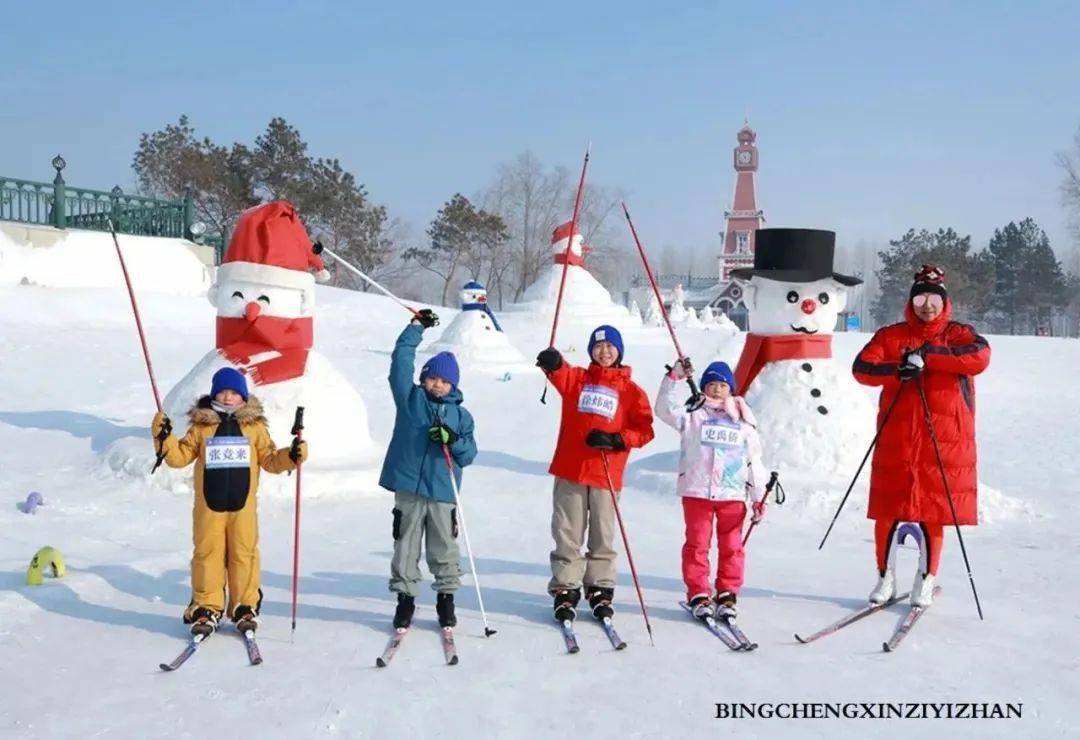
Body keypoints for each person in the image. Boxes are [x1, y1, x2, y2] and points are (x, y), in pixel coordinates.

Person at [853, 265, 991, 607]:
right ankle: (885, 576)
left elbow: (979, 356)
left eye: (932, 299)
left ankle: (926, 579)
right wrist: (897, 370)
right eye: (919, 299)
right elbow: (862, 368)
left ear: (943, 302)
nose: (926, 306)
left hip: (943, 442)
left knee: (932, 511)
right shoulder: (891, 335)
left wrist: (929, 357)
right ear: (910, 302)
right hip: (898, 438)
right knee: (888, 511)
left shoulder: (958, 334)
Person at [151, 367, 307, 635]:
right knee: (207, 553)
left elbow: (269, 460)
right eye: (222, 391)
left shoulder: (254, 428)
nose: (227, 397)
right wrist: (163, 438)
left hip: (242, 507)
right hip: (208, 508)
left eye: (234, 392)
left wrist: (291, 456)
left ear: (243, 396)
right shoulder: (202, 427)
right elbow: (179, 457)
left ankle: (244, 605)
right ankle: (206, 606)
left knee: (243, 553)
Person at [535, 325, 655, 623]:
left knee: (603, 534)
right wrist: (551, 362)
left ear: (619, 351)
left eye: (610, 347)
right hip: (571, 470)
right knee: (567, 532)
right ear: (591, 351)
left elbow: (644, 430)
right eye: (598, 347)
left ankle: (600, 586)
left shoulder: (631, 390)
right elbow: (559, 370)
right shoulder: (578, 379)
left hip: (606, 473)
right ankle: (566, 586)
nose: (604, 351)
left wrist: (617, 439)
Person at [379, 309, 477, 630]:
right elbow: (400, 362)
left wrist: (451, 441)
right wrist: (415, 328)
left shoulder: (461, 417)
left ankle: (445, 599)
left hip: (442, 490)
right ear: (424, 378)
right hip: (408, 486)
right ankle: (405, 599)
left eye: (445, 381)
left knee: (443, 547)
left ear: (453, 385)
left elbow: (469, 453)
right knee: (405, 545)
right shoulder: (410, 400)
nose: (437, 385)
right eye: (433, 378)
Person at [655, 360, 767, 618]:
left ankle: (727, 591)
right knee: (697, 545)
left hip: (732, 495)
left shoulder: (743, 422)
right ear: (704, 387)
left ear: (731, 389)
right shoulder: (693, 414)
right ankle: (698, 591)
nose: (717, 390)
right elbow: (663, 409)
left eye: (723, 385)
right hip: (697, 492)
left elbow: (754, 462)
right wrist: (674, 378)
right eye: (712, 385)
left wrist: (758, 497)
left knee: (732, 546)